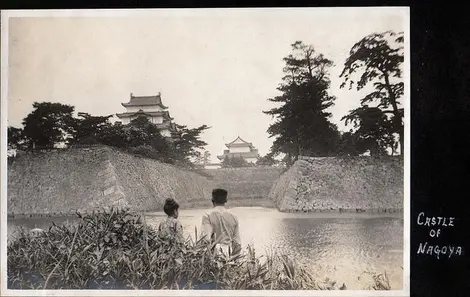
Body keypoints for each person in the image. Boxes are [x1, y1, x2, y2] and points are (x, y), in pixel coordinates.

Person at [201, 188, 241, 256]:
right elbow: (237, 244)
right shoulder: (234, 217)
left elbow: (206, 240)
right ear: (226, 200)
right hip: (229, 255)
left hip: (214, 254)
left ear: (212, 200)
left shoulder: (207, 216)